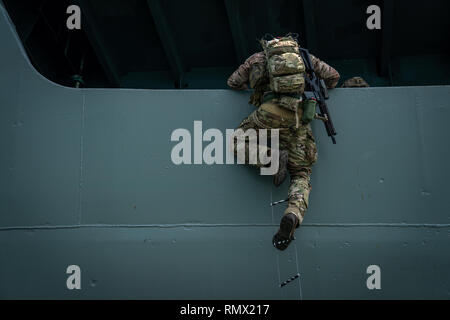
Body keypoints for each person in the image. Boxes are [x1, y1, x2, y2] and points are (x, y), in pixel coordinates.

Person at [227, 35, 340, 251]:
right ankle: (293, 213)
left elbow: (233, 82)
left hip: (269, 114)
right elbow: (333, 77)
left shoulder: (258, 58)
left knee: (237, 140)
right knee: (301, 173)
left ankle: (271, 158)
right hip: (299, 118)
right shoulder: (305, 57)